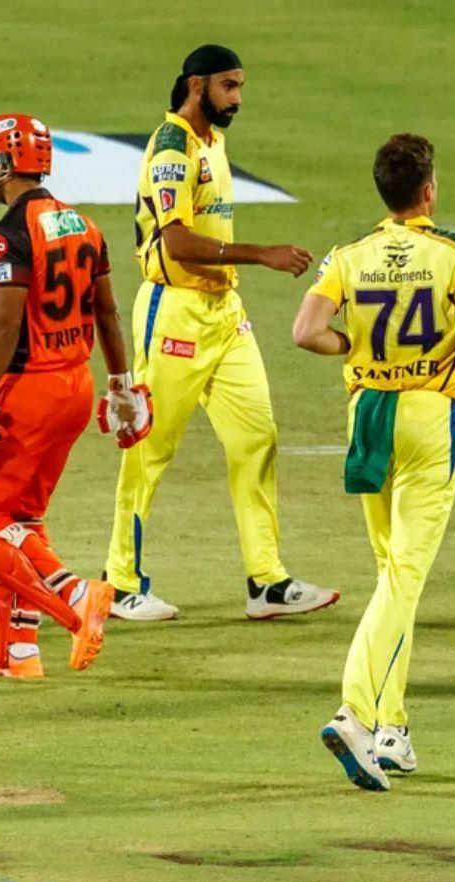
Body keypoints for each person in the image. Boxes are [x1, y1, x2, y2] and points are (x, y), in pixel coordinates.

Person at [104, 43, 337, 622]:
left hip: (225, 314)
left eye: (240, 88)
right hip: (174, 312)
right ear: (196, 84)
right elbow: (174, 240)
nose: (237, 99)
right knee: (150, 448)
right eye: (229, 87)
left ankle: (267, 581)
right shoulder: (172, 147)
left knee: (256, 437)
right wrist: (263, 253)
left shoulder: (214, 142)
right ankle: (118, 582)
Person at [294, 134, 455, 789]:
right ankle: (354, 710)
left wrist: (353, 342)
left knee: (390, 572)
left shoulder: (348, 255)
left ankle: (393, 728)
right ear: (429, 188)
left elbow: (305, 331)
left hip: (368, 415)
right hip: (430, 416)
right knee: (403, 577)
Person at [0, 112, 148, 678]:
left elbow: (4, 324)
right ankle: (17, 652)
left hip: (27, 389)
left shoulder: (7, 235)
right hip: (77, 386)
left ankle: (75, 592)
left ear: (10, 163)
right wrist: (121, 385)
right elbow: (106, 311)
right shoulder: (84, 225)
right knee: (23, 516)